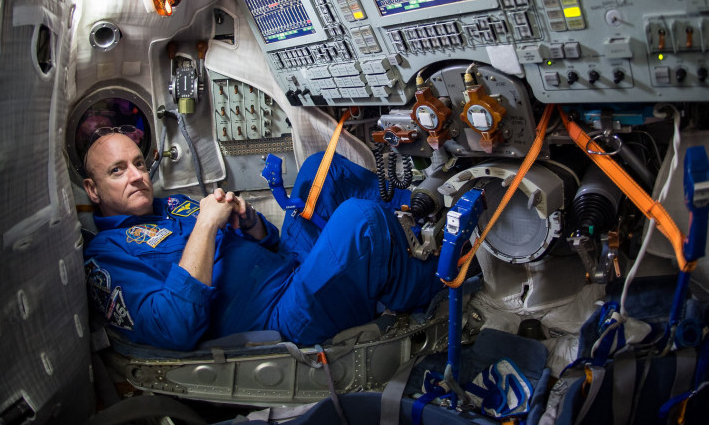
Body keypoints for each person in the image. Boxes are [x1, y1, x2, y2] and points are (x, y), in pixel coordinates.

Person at [82, 131, 441, 351]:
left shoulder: (173, 206)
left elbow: (266, 243)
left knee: (321, 167)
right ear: (92, 190)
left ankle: (423, 216)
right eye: (118, 170)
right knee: (357, 220)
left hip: (289, 265)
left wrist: (251, 223)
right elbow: (172, 328)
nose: (136, 176)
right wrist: (206, 226)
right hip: (278, 320)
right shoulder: (107, 254)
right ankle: (439, 278)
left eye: (139, 164)